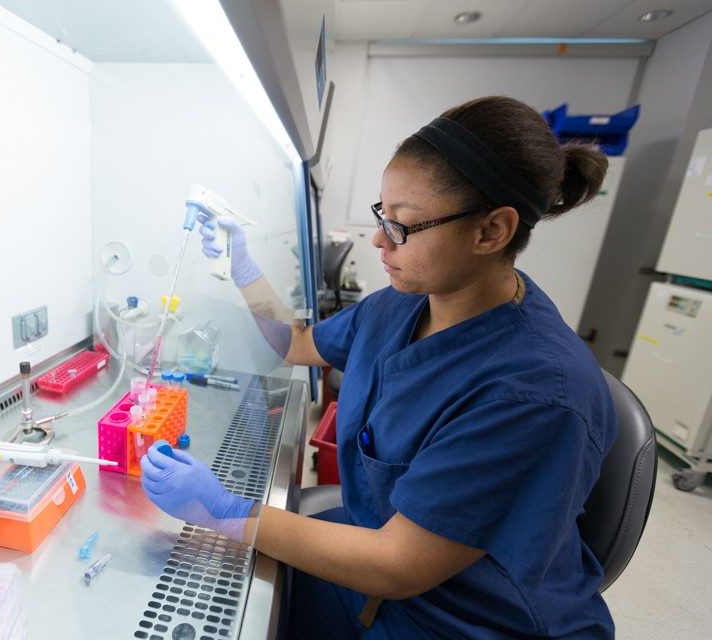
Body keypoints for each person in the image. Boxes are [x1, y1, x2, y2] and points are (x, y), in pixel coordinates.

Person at [140, 95, 616, 638]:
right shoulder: (405, 301)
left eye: (403, 226)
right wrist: (243, 270)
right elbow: (296, 345)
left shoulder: (533, 391)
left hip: (462, 620)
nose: (378, 240)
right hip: (373, 572)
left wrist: (222, 510)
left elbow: (397, 564)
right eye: (380, 215)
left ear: (492, 231)